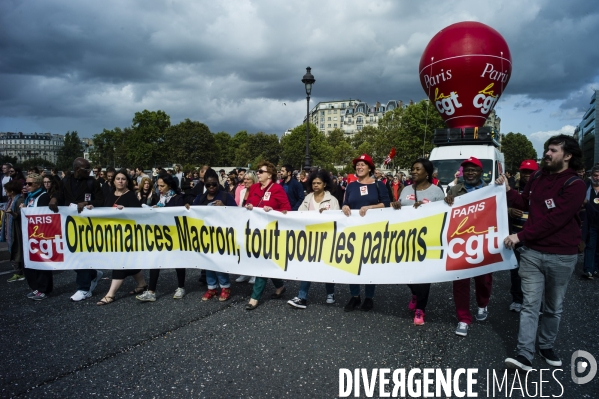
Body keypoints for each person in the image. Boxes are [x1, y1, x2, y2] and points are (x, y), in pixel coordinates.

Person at [501, 134, 586, 371]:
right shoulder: (537, 177)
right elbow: (524, 202)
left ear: (568, 156)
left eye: (553, 150)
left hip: (561, 255)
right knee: (530, 305)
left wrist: (520, 236)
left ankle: (546, 345)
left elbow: (555, 219)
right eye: (547, 149)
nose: (547, 154)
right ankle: (524, 353)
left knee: (553, 307)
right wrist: (508, 190)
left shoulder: (575, 185)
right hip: (532, 254)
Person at [391, 159, 445, 325]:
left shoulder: (436, 191)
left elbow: (443, 215)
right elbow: (400, 208)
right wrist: (396, 205)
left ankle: (421, 308)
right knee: (404, 271)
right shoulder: (406, 189)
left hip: (427, 240)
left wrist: (426, 209)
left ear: (427, 173)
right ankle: (415, 293)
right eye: (412, 169)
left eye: (417, 169)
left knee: (424, 275)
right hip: (406, 238)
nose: (413, 172)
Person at [444, 157, 492, 337]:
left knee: (484, 280)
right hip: (460, 242)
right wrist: (446, 201)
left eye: (474, 170)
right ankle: (463, 319)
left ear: (481, 172)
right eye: (467, 170)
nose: (470, 173)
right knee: (460, 281)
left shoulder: (491, 189)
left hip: (483, 241)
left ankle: (482, 303)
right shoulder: (455, 190)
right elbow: (445, 213)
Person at [49, 157, 104, 301]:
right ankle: (92, 274)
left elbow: (101, 201)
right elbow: (59, 195)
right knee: (70, 255)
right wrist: (54, 198)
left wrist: (87, 202)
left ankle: (84, 288)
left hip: (87, 225)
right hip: (68, 224)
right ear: (78, 169)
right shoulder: (66, 180)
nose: (90, 171)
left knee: (82, 255)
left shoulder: (93, 182)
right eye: (87, 169)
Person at [341, 154, 390, 312]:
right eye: (357, 165)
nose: (359, 167)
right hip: (353, 230)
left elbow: (386, 203)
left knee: (370, 263)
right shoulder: (351, 186)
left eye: (363, 165)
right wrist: (345, 207)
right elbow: (346, 203)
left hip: (372, 230)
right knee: (352, 261)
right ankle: (355, 296)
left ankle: (369, 297)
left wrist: (371, 207)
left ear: (370, 168)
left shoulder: (378, 185)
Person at [92, 170, 147, 305]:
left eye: (123, 179)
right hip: (114, 235)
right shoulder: (110, 195)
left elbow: (139, 214)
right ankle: (142, 283)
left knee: (120, 263)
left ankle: (110, 294)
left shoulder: (131, 196)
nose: (120, 181)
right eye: (118, 179)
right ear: (114, 181)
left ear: (127, 181)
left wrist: (126, 211)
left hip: (128, 236)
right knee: (127, 262)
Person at [287, 170, 340, 309]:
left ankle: (330, 293)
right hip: (310, 237)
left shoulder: (332, 200)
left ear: (324, 184)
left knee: (327, 266)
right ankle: (302, 296)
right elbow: (299, 214)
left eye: (319, 183)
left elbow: (338, 219)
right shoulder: (308, 198)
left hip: (327, 237)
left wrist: (327, 215)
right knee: (308, 266)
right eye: (314, 183)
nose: (316, 185)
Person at [244, 161, 291, 310]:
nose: (258, 173)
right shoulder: (254, 188)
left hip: (271, 232)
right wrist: (249, 207)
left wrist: (273, 210)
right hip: (255, 230)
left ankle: (254, 297)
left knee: (263, 262)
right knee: (267, 260)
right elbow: (248, 204)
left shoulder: (277, 189)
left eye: (261, 171)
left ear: (269, 174)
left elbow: (286, 209)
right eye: (258, 171)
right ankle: (280, 287)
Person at [186, 169, 237, 302]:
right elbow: (193, 214)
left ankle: (225, 287)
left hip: (221, 235)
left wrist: (225, 207)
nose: (212, 187)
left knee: (219, 262)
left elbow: (238, 214)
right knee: (208, 263)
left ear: (218, 183)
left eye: (214, 184)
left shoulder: (225, 196)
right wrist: (187, 208)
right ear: (204, 184)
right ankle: (212, 288)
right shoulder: (200, 198)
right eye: (208, 185)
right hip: (205, 236)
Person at [136, 173, 187, 302]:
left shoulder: (177, 199)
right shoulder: (161, 198)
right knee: (155, 260)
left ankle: (181, 287)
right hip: (161, 235)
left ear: (169, 185)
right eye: (158, 186)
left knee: (178, 261)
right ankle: (151, 291)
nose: (159, 188)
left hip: (174, 235)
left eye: (162, 186)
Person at [507, 160, 538, 312]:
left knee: (536, 274)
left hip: (534, 238)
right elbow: (499, 205)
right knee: (516, 271)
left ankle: (537, 303)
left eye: (530, 172)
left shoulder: (541, 188)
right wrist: (510, 211)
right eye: (524, 172)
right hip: (514, 236)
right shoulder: (512, 188)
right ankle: (517, 300)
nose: (527, 175)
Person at [21, 174, 52, 299]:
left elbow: (43, 216)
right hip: (30, 235)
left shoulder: (43, 197)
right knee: (30, 263)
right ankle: (36, 287)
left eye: (30, 184)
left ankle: (44, 289)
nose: (27, 186)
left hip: (40, 235)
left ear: (38, 184)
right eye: (26, 184)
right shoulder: (30, 198)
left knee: (42, 263)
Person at [235, 171, 258, 284]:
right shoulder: (242, 191)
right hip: (243, 222)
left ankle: (254, 273)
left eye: (248, 179)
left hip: (254, 223)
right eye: (244, 179)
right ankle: (244, 272)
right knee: (243, 247)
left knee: (253, 247)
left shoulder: (258, 192)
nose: (245, 181)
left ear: (254, 180)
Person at [1, 180, 25, 283]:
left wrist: (12, 213)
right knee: (13, 249)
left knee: (17, 249)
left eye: (7, 190)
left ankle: (19, 272)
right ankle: (19, 271)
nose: (5, 191)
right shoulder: (10, 200)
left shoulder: (19, 200)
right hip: (9, 230)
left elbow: (20, 215)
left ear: (12, 191)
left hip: (16, 230)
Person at [581, 165, 599, 279]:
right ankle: (588, 270)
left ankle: (596, 269)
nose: (597, 178)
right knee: (590, 245)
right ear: (591, 176)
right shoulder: (586, 186)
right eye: (595, 175)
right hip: (590, 222)